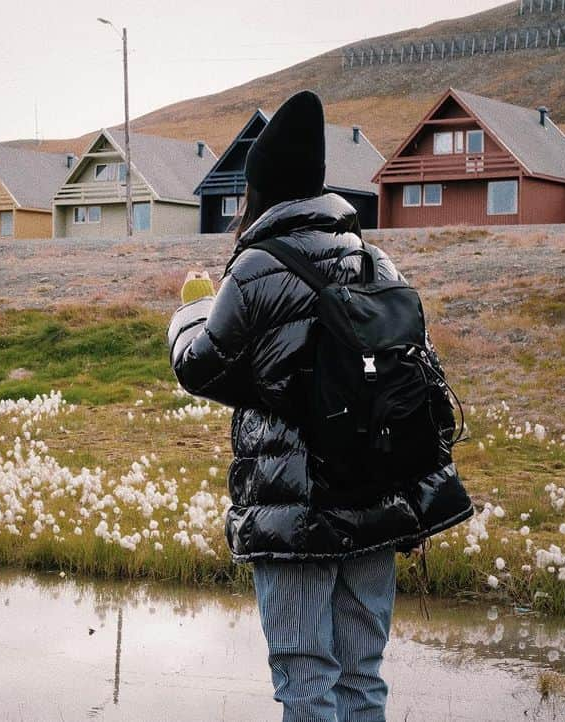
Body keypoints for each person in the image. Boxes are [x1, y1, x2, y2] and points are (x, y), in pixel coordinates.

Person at [167, 91, 471, 722]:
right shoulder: (373, 259)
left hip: (295, 506)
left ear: (261, 191)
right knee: (362, 679)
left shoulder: (254, 268)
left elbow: (199, 368)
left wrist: (190, 311)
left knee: (306, 682)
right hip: (374, 493)